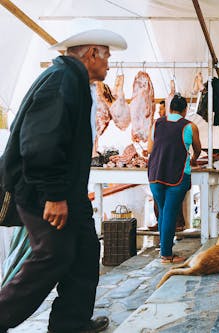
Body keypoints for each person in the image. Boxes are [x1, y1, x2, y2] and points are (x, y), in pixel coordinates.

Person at [0, 29, 127, 332]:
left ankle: (70, 324)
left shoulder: (75, 81)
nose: (109, 61)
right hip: (42, 191)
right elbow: (41, 141)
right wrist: (54, 195)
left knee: (85, 251)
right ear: (92, 53)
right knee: (53, 254)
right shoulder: (61, 80)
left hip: (69, 192)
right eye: (106, 54)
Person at [147, 94, 201, 264]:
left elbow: (150, 148)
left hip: (155, 173)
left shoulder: (157, 123)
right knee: (169, 212)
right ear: (185, 110)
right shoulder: (190, 126)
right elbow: (197, 150)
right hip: (177, 175)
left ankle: (164, 250)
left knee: (164, 212)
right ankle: (166, 254)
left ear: (170, 108)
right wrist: (192, 160)